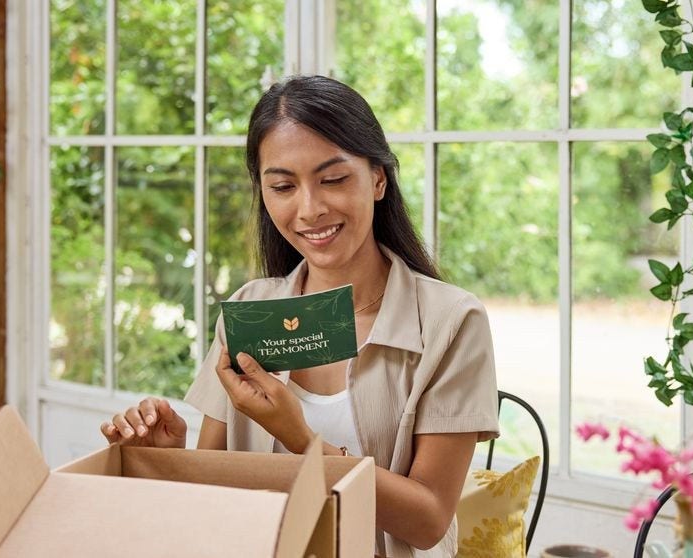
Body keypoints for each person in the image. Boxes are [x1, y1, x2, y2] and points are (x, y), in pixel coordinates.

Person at [100, 75, 499, 557]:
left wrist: (301, 439)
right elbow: (216, 497)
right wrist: (166, 460)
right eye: (284, 186)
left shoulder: (450, 320)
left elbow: (428, 520)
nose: (309, 209)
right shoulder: (250, 309)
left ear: (377, 178)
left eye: (333, 179)